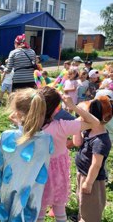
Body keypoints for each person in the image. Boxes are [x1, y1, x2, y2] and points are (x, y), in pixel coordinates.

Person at [0, 88, 53, 221]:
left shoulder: (7, 136)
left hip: (7, 197)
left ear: (18, 114)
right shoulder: (47, 140)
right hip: (32, 201)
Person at [37, 87, 100, 222]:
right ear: (57, 108)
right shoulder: (62, 126)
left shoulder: (28, 125)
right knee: (59, 209)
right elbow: (95, 122)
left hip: (36, 172)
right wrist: (73, 106)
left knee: (39, 209)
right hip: (57, 173)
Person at [73, 96, 112, 222]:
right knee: (83, 203)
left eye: (83, 115)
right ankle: (82, 217)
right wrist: (77, 127)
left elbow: (96, 165)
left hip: (93, 180)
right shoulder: (88, 131)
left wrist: (89, 183)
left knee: (91, 211)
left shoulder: (101, 141)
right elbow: (77, 143)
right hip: (82, 173)